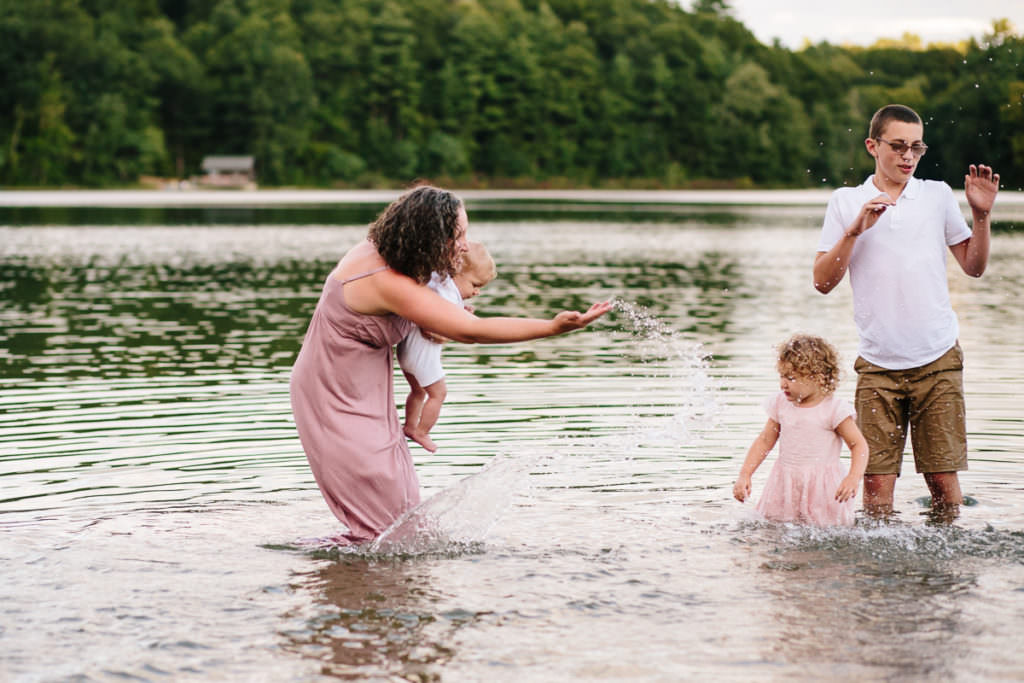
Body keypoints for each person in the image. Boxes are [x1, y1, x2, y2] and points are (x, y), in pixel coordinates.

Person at [289, 185, 611, 544]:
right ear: (428, 235)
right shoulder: (386, 280)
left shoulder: (401, 260)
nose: (463, 244)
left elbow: (425, 316)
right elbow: (471, 332)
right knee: (385, 512)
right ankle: (357, 584)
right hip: (332, 390)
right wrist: (552, 327)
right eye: (458, 235)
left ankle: (367, 581)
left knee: (399, 506)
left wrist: (430, 321)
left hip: (363, 382)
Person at [812, 103, 1000, 518]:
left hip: (938, 360)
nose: (908, 156)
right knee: (876, 489)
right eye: (898, 146)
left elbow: (974, 267)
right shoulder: (847, 201)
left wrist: (981, 216)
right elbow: (822, 282)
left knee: (943, 484)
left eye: (916, 147)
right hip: (878, 366)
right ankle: (882, 579)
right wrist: (855, 231)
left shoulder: (935, 196)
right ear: (872, 146)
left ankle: (944, 572)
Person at [733, 334, 869, 526]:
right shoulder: (781, 404)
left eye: (791, 378)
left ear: (818, 378)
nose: (783, 384)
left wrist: (853, 478)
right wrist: (745, 474)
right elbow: (765, 441)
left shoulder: (834, 409)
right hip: (785, 482)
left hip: (823, 487)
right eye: (781, 376)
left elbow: (859, 445)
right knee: (777, 528)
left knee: (825, 531)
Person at [397, 240, 497, 453]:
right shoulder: (449, 293)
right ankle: (421, 432)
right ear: (458, 274)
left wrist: (461, 314)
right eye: (475, 285)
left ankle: (409, 425)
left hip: (405, 352)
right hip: (422, 354)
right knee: (438, 394)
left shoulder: (437, 284)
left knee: (418, 391)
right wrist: (459, 323)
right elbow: (433, 330)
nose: (477, 292)